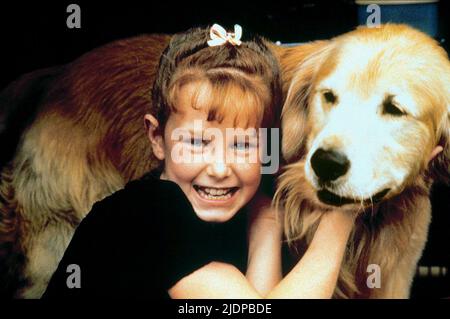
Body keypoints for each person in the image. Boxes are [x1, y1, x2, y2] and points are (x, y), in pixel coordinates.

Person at [42, 24, 355, 299]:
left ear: (270, 148)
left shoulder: (244, 214)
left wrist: (266, 221)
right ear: (156, 137)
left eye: (244, 145)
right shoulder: (150, 210)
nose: (219, 169)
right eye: (196, 142)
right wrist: (339, 218)